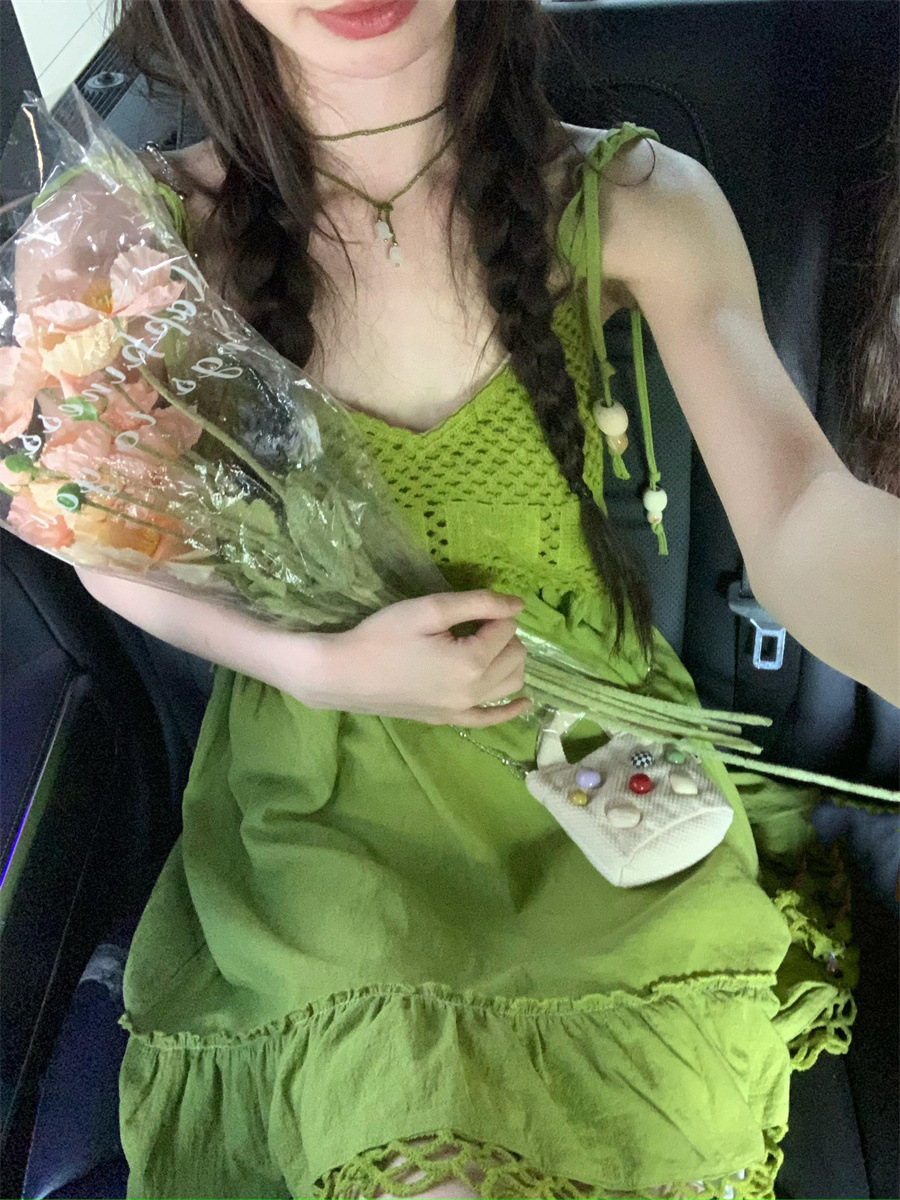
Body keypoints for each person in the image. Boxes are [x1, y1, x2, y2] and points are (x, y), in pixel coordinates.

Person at [61, 0, 898, 1196]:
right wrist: (319, 666)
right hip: (328, 780)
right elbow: (102, 539)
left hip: (589, 750)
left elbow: (800, 511)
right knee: (411, 1137)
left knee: (644, 1133)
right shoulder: (121, 240)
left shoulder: (639, 203)